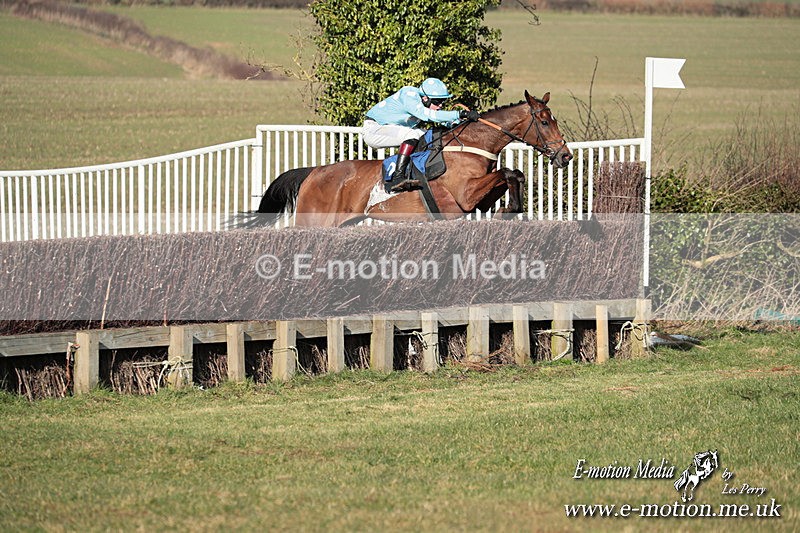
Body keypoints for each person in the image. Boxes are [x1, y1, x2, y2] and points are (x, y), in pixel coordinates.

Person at [362, 78, 479, 192]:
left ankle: (415, 169)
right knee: (411, 134)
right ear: (425, 99)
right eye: (437, 102)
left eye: (443, 101)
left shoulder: (421, 100)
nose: (441, 105)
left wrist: (458, 122)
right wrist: (459, 114)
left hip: (387, 128)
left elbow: (441, 120)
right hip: (374, 129)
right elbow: (427, 115)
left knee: (426, 134)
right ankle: (398, 177)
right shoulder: (409, 94)